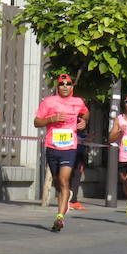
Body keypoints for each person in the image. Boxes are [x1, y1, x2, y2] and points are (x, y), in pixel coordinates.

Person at [34, 73, 89, 232]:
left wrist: (84, 121)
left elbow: (85, 113)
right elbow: (37, 122)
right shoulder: (49, 102)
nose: (65, 86)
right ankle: (66, 194)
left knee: (64, 180)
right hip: (52, 147)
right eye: (61, 84)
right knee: (58, 182)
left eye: (68, 84)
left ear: (72, 87)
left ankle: (60, 217)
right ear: (57, 87)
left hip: (69, 148)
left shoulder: (78, 102)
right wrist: (52, 119)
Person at [68, 126, 90, 210]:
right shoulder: (72, 120)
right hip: (72, 151)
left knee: (76, 177)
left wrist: (87, 138)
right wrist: (83, 139)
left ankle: (73, 200)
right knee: (72, 177)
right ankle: (71, 200)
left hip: (80, 152)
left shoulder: (83, 122)